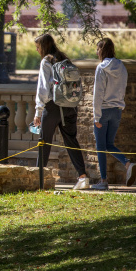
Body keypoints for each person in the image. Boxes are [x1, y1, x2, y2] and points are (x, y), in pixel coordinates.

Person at [31, 33, 91, 190]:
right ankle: (82, 177)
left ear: (43, 47)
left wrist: (38, 111)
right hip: (70, 107)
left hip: (52, 107)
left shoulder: (47, 61)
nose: (37, 50)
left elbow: (43, 89)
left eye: (38, 47)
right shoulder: (65, 59)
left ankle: (39, 180)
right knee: (71, 141)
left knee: (44, 141)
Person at [90, 38, 136, 190]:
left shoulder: (101, 68)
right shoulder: (122, 66)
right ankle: (128, 163)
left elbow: (98, 93)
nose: (97, 52)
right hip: (117, 111)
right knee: (109, 144)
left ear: (102, 50)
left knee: (101, 147)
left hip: (103, 111)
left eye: (98, 49)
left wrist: (96, 116)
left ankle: (103, 181)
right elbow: (123, 88)